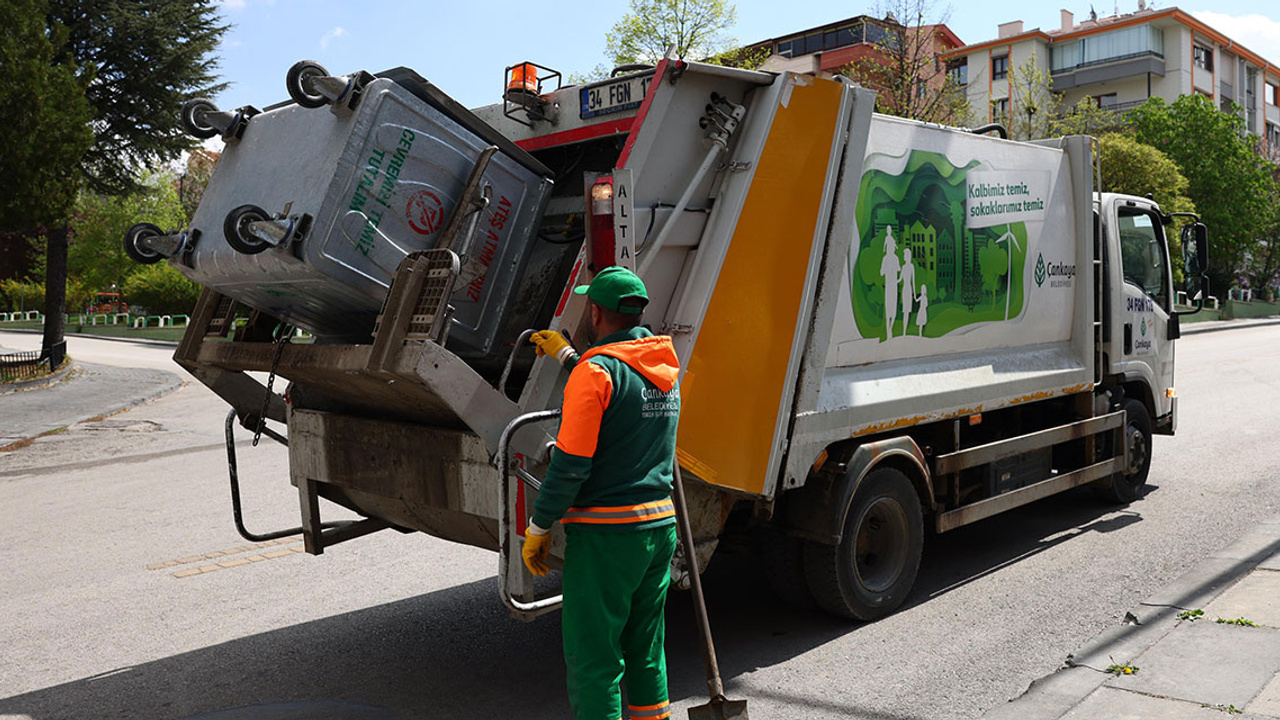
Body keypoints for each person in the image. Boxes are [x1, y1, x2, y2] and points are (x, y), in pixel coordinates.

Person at [523, 266, 681, 720]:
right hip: (658, 526)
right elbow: (621, 390)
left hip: (608, 534)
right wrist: (570, 358)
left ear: (596, 312)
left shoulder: (596, 374)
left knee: (595, 659)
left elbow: (571, 465)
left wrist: (539, 525)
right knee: (645, 649)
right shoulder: (666, 367)